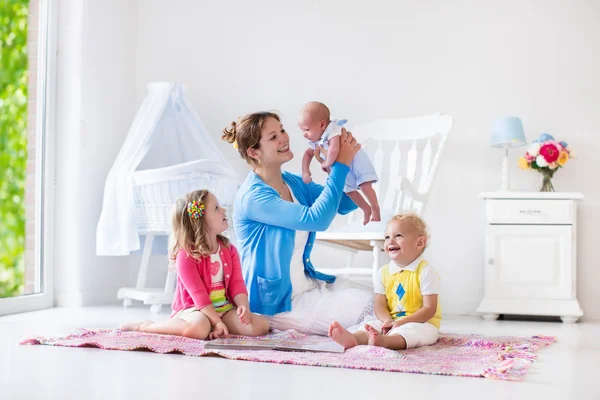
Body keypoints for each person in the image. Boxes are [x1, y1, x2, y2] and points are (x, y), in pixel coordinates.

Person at [221, 111, 372, 336]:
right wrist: (340, 167)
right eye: (273, 137)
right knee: (370, 310)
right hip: (277, 302)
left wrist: (343, 163)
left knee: (378, 298)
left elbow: (344, 204)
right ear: (254, 152)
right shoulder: (254, 197)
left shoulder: (291, 182)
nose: (284, 137)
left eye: (282, 130)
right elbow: (317, 220)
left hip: (306, 286)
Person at [121, 189, 270, 339]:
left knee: (260, 325)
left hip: (223, 308)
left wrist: (243, 305)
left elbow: (237, 283)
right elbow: (199, 296)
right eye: (217, 208)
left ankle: (215, 326)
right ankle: (146, 326)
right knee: (198, 329)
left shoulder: (229, 250)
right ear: (200, 220)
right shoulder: (186, 256)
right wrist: (217, 322)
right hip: (194, 309)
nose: (224, 210)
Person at [328, 213, 442, 350]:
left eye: (398, 236)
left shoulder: (425, 271)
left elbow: (429, 309)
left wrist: (402, 322)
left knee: (417, 332)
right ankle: (355, 338)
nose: (390, 241)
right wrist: (387, 320)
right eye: (387, 237)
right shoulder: (383, 273)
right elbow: (380, 305)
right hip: (391, 320)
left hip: (421, 323)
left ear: (419, 243)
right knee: (372, 324)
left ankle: (385, 341)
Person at [299, 101, 380, 225]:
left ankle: (375, 207)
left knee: (365, 185)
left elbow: (335, 148)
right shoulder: (316, 139)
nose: (304, 134)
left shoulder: (334, 130)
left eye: (307, 130)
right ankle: (366, 208)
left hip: (356, 162)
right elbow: (307, 154)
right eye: (302, 130)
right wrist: (305, 171)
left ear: (322, 124)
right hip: (344, 167)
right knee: (349, 191)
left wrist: (327, 163)